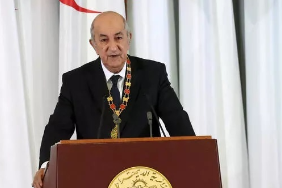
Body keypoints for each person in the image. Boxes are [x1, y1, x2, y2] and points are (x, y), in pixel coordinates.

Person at [31, 11, 194, 188]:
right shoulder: (76, 81)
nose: (113, 47)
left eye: (118, 38)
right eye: (104, 40)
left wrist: (194, 155)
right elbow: (57, 127)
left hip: (145, 176)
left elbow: (176, 119)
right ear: (93, 45)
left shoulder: (153, 74)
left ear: (129, 38)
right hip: (94, 175)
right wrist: (46, 166)